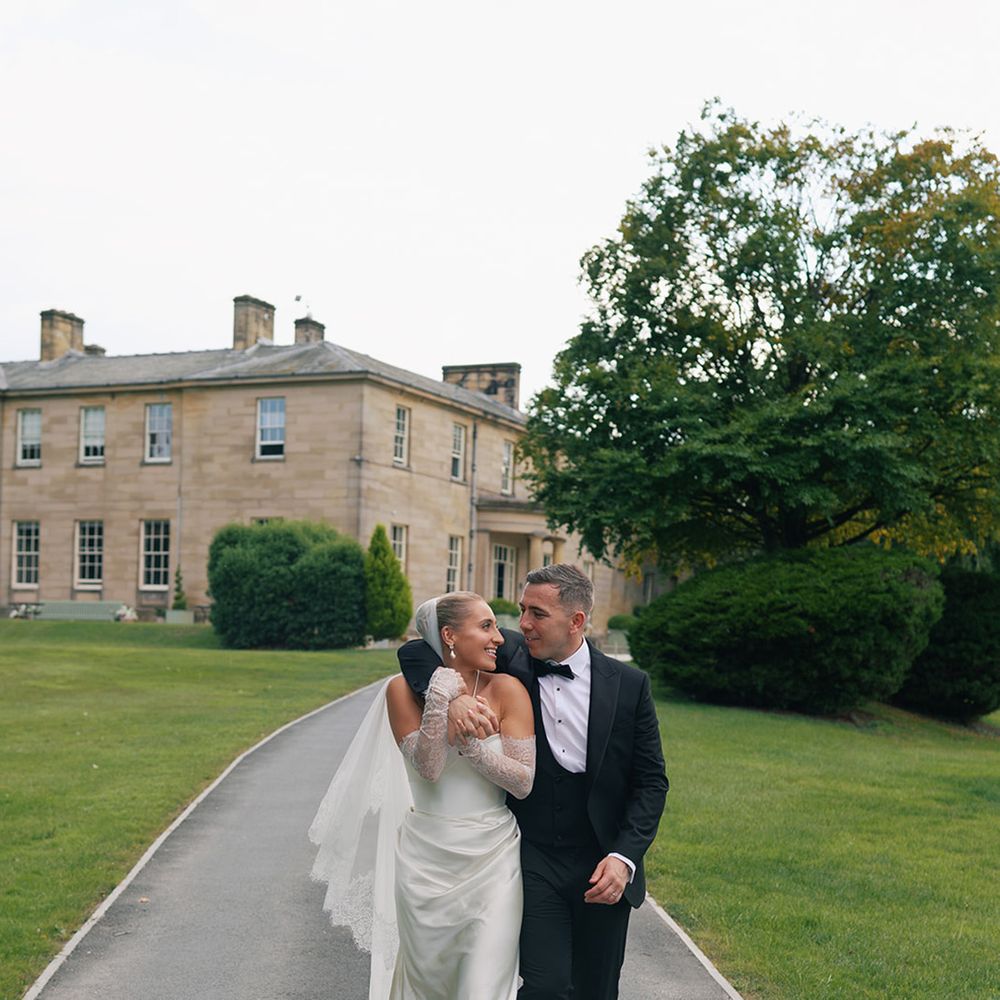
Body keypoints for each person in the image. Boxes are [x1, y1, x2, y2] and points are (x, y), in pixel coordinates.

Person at [398, 564, 669, 1000]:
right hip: (533, 856)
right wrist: (446, 697)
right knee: (545, 986)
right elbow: (418, 650)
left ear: (576, 621)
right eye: (523, 610)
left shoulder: (631, 685)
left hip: (603, 861)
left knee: (596, 990)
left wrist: (624, 857)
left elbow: (652, 783)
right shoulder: (512, 656)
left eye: (536, 614)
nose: (521, 625)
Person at [309, 591, 535, 1000]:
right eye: (485, 626)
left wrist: (472, 749)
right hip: (424, 859)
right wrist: (439, 700)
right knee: (428, 986)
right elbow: (428, 769)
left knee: (483, 987)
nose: (499, 637)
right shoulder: (401, 691)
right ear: (449, 635)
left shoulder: (508, 690)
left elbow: (522, 781)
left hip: (493, 858)